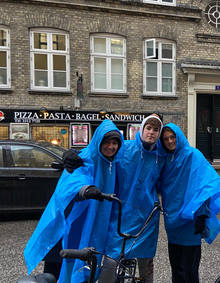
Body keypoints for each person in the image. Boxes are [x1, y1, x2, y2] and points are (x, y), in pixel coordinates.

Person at [62, 113, 164, 283]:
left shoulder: (161, 157)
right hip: (120, 215)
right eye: (148, 128)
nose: (151, 132)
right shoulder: (125, 149)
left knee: (146, 267)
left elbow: (178, 169)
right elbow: (99, 156)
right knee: (111, 261)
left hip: (146, 218)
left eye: (155, 129)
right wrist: (74, 154)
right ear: (141, 129)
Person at [23, 119, 124, 282]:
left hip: (92, 224)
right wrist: (86, 190)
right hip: (72, 221)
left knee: (84, 265)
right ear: (98, 141)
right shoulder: (86, 158)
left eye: (115, 143)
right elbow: (72, 183)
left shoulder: (114, 163)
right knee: (60, 264)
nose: (111, 147)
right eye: (107, 142)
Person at [157, 123, 220, 283]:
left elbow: (204, 185)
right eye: (165, 139)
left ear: (179, 136)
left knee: (190, 269)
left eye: (172, 137)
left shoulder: (192, 155)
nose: (169, 141)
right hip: (172, 220)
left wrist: (203, 214)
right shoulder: (164, 159)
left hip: (191, 220)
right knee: (176, 267)